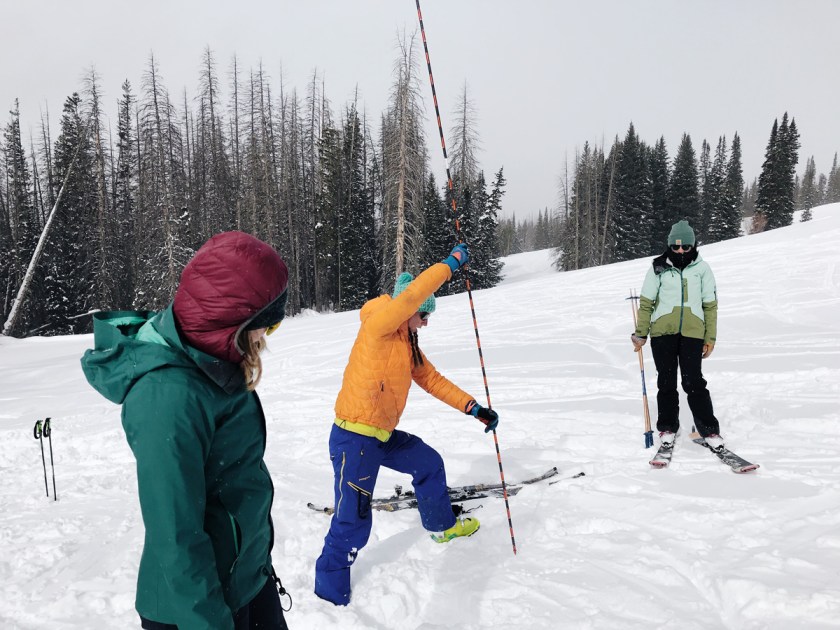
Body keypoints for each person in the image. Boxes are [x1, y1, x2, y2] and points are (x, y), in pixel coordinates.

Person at [81, 231, 291, 630]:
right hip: (196, 608)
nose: (266, 338)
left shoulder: (214, 358)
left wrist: (255, 562)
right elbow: (175, 534)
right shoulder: (169, 396)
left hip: (244, 579)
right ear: (231, 321)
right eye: (266, 325)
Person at [314, 243, 500, 606]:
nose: (426, 322)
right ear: (411, 309)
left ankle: (442, 528)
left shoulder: (405, 341)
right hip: (354, 437)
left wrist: (474, 407)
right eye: (423, 315)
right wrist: (451, 264)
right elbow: (416, 292)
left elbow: (432, 379)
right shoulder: (381, 324)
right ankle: (328, 595)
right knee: (352, 522)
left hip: (380, 436)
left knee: (428, 462)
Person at [631, 219, 723, 451]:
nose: (681, 251)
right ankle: (668, 427)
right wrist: (641, 333)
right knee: (666, 382)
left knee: (694, 383)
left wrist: (709, 338)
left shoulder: (702, 269)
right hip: (662, 333)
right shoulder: (658, 267)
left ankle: (709, 430)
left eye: (685, 247)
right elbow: (646, 302)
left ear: (693, 246)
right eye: (676, 247)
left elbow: (710, 306)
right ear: (670, 246)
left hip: (693, 334)